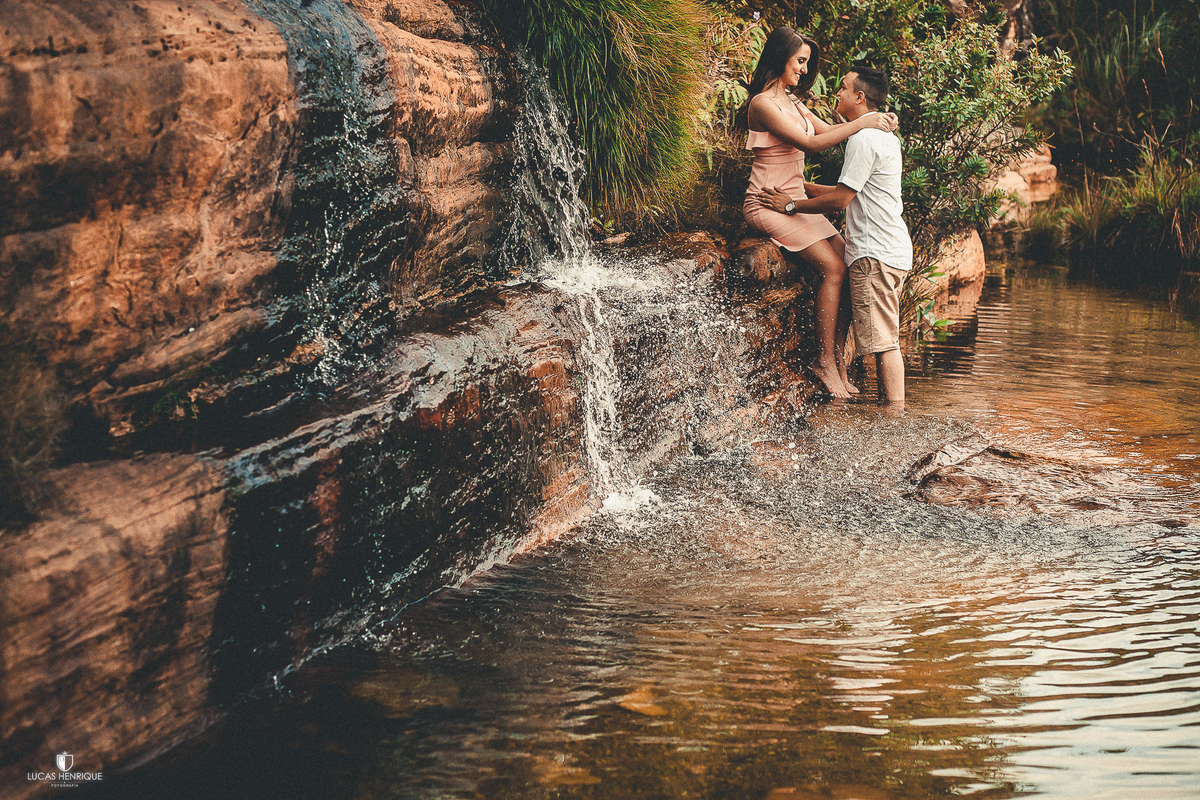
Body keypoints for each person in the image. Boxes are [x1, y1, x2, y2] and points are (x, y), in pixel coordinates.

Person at [742, 27, 897, 399]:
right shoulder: (763, 104)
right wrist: (861, 123)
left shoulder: (794, 102)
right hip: (767, 202)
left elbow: (830, 133)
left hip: (794, 203)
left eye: (806, 62)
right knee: (835, 268)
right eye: (800, 61)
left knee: (851, 259)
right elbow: (811, 144)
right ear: (781, 58)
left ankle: (839, 362)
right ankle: (824, 360)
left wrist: (875, 121)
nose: (804, 68)